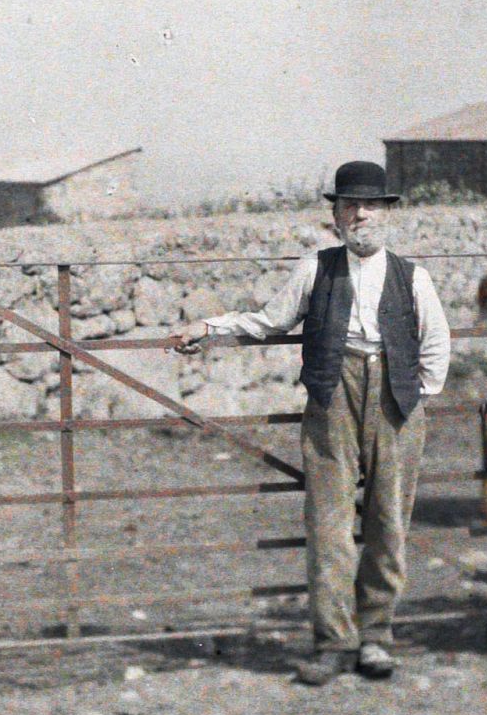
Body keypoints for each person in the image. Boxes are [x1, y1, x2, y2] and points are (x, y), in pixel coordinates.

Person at [168, 160, 451, 684]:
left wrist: (415, 397)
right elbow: (270, 321)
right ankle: (334, 642)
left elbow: (436, 344)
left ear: (386, 213)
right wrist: (211, 325)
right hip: (331, 395)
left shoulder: (413, 276)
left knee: (389, 522)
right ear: (336, 216)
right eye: (350, 206)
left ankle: (376, 638)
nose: (361, 215)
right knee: (328, 524)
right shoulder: (315, 268)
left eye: (370, 206)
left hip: (396, 400)